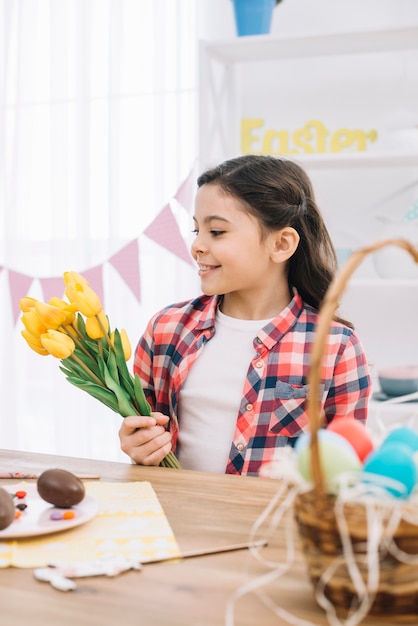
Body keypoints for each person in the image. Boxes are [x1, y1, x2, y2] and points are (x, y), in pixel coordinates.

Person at [119, 155, 371, 475]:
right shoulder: (166, 330)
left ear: (281, 244)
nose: (197, 245)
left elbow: (346, 470)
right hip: (174, 519)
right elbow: (143, 439)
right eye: (197, 229)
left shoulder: (336, 347)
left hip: (278, 524)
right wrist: (138, 445)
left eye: (217, 231)